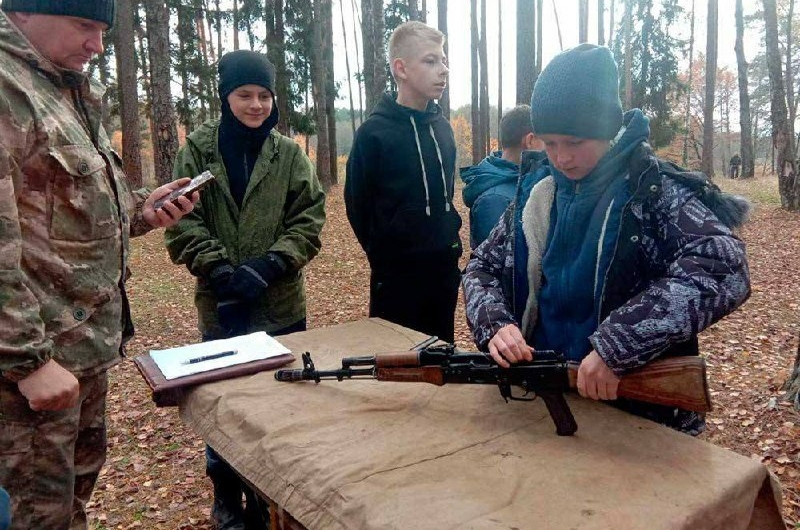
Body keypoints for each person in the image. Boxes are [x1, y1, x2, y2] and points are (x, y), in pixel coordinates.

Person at [462, 44, 751, 435]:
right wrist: (494, 324)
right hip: (543, 404)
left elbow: (724, 267)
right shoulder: (537, 195)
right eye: (549, 143)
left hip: (640, 418)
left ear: (606, 129)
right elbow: (482, 267)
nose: (562, 158)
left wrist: (618, 345)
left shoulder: (653, 192)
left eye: (575, 142)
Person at [0, 1, 198, 528]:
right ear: (24, 12)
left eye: (104, 29)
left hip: (79, 351)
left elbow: (65, 202)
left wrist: (143, 209)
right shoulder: (6, 89)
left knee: (70, 509)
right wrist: (26, 361)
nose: (98, 45)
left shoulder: (60, 87)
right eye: (84, 25)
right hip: (29, 372)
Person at [164, 50, 326, 530]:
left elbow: (309, 219)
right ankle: (226, 496)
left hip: (280, 306)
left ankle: (275, 496)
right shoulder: (197, 150)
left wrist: (271, 264)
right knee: (223, 407)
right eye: (244, 95)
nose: (255, 105)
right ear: (225, 96)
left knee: (280, 405)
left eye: (263, 95)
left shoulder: (289, 154)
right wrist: (218, 272)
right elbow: (180, 218)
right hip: (222, 308)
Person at [345, 21, 462, 343]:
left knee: (443, 362)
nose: (444, 70)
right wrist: (386, 255)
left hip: (443, 271)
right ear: (401, 68)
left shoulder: (443, 128)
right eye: (431, 60)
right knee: (398, 366)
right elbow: (358, 205)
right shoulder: (374, 133)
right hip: (397, 279)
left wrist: (448, 244)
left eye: (443, 60)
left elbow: (446, 195)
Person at [461, 105, 538, 249]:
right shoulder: (495, 200)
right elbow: (494, 263)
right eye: (547, 141)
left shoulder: (520, 181)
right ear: (530, 140)